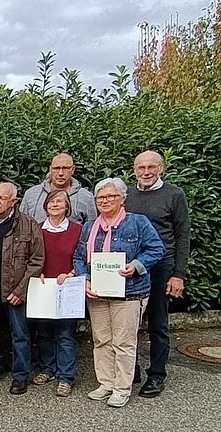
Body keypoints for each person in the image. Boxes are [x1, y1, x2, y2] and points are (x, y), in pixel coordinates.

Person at [73, 177, 164, 408]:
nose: (104, 201)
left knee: (124, 342)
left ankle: (122, 388)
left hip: (129, 293)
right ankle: (106, 382)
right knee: (101, 339)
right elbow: (78, 257)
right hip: (97, 294)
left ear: (122, 199)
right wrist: (84, 280)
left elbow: (156, 249)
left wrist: (136, 266)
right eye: (100, 197)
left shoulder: (138, 222)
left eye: (110, 196)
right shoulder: (89, 227)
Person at [125, 151, 190, 398]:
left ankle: (157, 375)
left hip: (162, 266)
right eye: (141, 167)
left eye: (151, 167)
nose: (146, 172)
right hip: (131, 265)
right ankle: (133, 370)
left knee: (158, 322)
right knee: (129, 321)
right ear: (134, 170)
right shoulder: (127, 195)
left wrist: (178, 274)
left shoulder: (174, 194)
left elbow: (183, 235)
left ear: (161, 168)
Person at [0, 182, 45, 396]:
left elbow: (37, 260)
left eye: (2, 198)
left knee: (20, 334)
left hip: (16, 288)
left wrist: (20, 290)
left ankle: (20, 376)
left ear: (13, 201)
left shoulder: (28, 224)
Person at [31, 190, 83, 397]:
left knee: (65, 334)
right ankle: (48, 369)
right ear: (45, 206)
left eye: (60, 201)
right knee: (44, 333)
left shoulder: (77, 230)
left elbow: (83, 255)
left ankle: (66, 376)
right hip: (43, 286)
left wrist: (72, 273)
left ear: (67, 206)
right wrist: (37, 272)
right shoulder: (37, 229)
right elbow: (31, 255)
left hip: (67, 286)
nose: (55, 205)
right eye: (51, 201)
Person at [20, 153, 97, 225]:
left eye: (65, 168)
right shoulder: (31, 194)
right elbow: (21, 224)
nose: (60, 173)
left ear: (73, 169)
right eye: (56, 168)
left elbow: (92, 230)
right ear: (50, 169)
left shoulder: (86, 197)